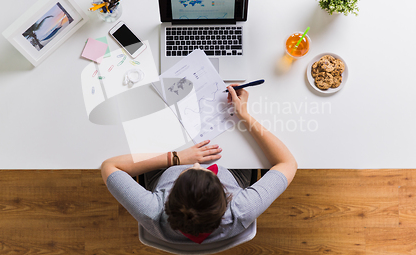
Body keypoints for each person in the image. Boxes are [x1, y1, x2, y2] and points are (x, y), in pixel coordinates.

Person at [101, 84, 297, 244]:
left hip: (165, 167)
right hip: (234, 173)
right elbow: (287, 162)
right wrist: (244, 115)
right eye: (205, 172)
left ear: (169, 199)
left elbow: (110, 166)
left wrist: (176, 159)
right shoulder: (241, 208)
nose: (197, 165)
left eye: (186, 172)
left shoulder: (152, 211)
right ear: (226, 197)